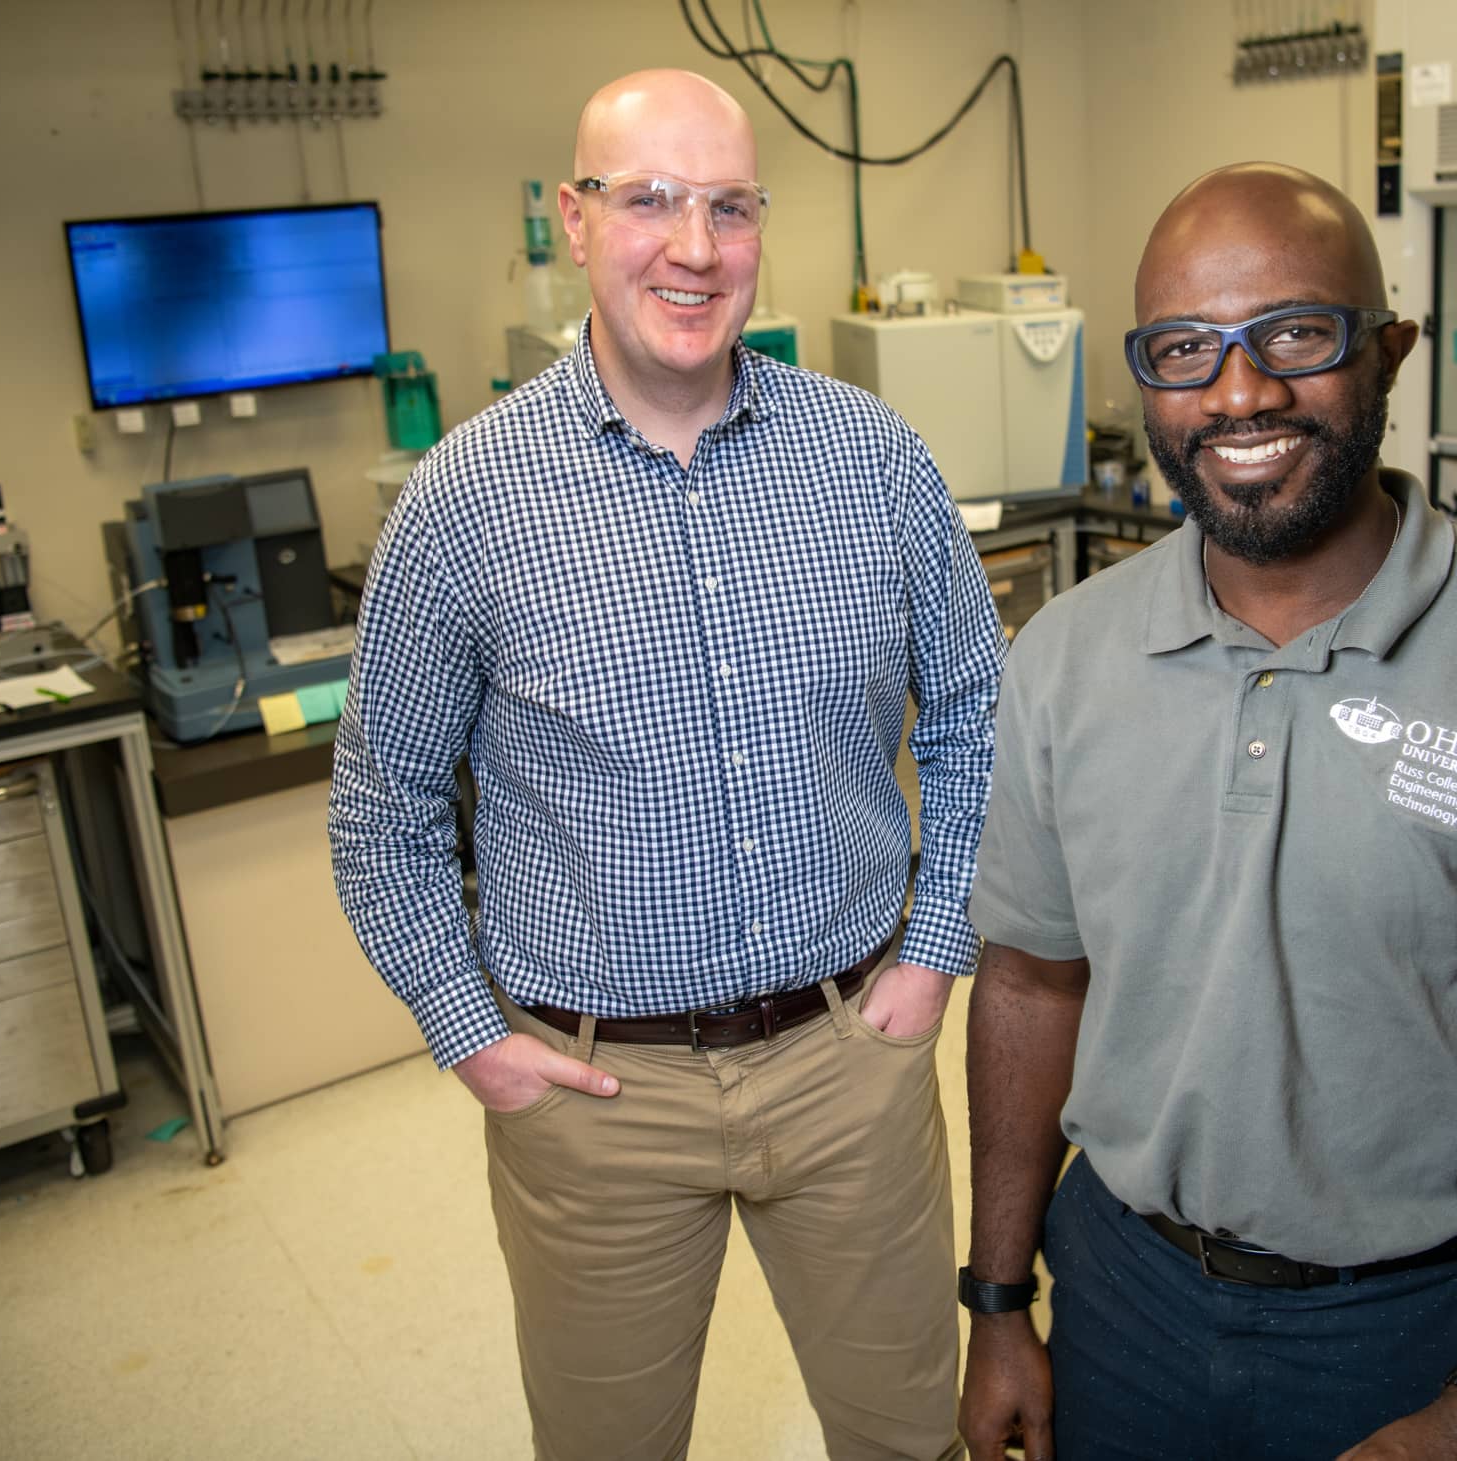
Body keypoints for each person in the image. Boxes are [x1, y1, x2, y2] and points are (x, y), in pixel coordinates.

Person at [956, 163, 1457, 1461]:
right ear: (1145, 377)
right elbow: (1035, 982)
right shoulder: (1066, 657)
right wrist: (997, 1300)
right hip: (1119, 1289)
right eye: (1186, 350)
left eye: (1295, 334)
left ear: (1388, 350)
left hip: (1408, 1329)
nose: (1241, 390)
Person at [329, 68, 1003, 1461]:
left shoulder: (871, 458)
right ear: (575, 221)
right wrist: (474, 1037)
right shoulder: (464, 502)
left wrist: (934, 948)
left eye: (729, 207)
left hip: (849, 1055)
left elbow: (981, 718)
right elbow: (382, 811)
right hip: (597, 1102)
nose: (693, 249)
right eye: (649, 201)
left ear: (763, 228)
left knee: (910, 1441)